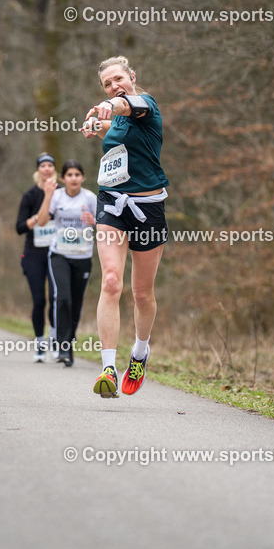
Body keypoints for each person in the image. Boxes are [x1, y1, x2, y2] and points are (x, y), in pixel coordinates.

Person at [81, 56, 169, 398]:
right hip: (113, 204)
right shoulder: (116, 119)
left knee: (142, 294)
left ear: (132, 76)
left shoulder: (146, 104)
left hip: (148, 209)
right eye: (107, 83)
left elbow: (125, 105)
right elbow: (114, 127)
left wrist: (108, 103)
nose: (114, 85)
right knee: (112, 281)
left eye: (118, 79)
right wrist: (94, 125)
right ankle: (107, 369)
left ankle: (140, 352)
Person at [35, 160, 97, 367]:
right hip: (59, 254)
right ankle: (61, 345)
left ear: (83, 178)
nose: (73, 179)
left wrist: (94, 221)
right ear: (63, 178)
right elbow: (42, 221)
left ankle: (68, 345)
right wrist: (47, 195)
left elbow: (106, 224)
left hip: (83, 256)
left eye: (77, 175)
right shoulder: (57, 196)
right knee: (63, 298)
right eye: (69, 175)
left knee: (76, 303)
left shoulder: (90, 198)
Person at [16, 153, 58, 361]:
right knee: (39, 300)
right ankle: (40, 344)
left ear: (54, 170)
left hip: (58, 252)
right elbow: (19, 227)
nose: (47, 169)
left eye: (50, 165)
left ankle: (55, 339)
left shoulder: (61, 193)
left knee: (55, 298)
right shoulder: (30, 195)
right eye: (43, 166)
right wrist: (35, 220)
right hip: (34, 253)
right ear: (38, 171)